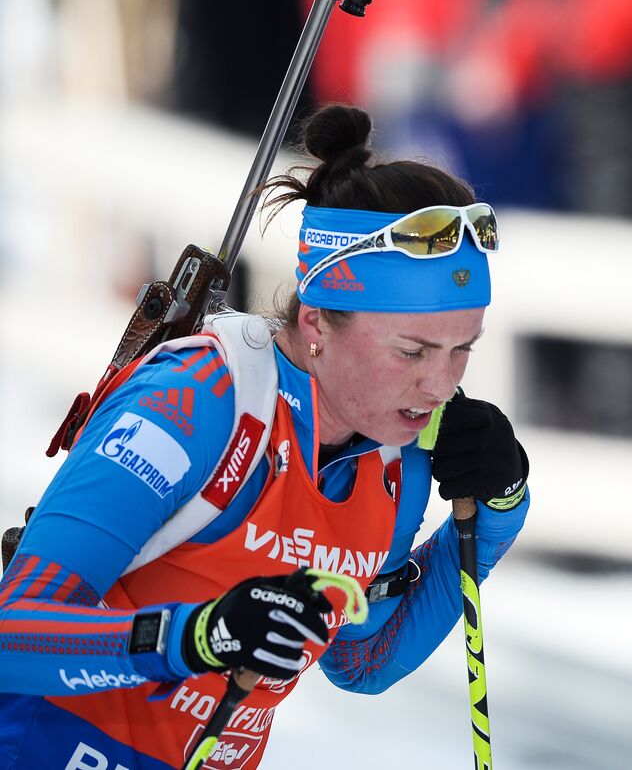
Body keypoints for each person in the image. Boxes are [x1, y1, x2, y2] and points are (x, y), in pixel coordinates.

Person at [0, 104, 530, 768]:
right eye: (413, 352)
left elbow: (360, 656)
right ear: (315, 322)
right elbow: (13, 634)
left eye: (462, 352)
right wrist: (195, 638)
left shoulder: (395, 457)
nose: (440, 386)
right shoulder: (198, 402)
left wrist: (499, 511)